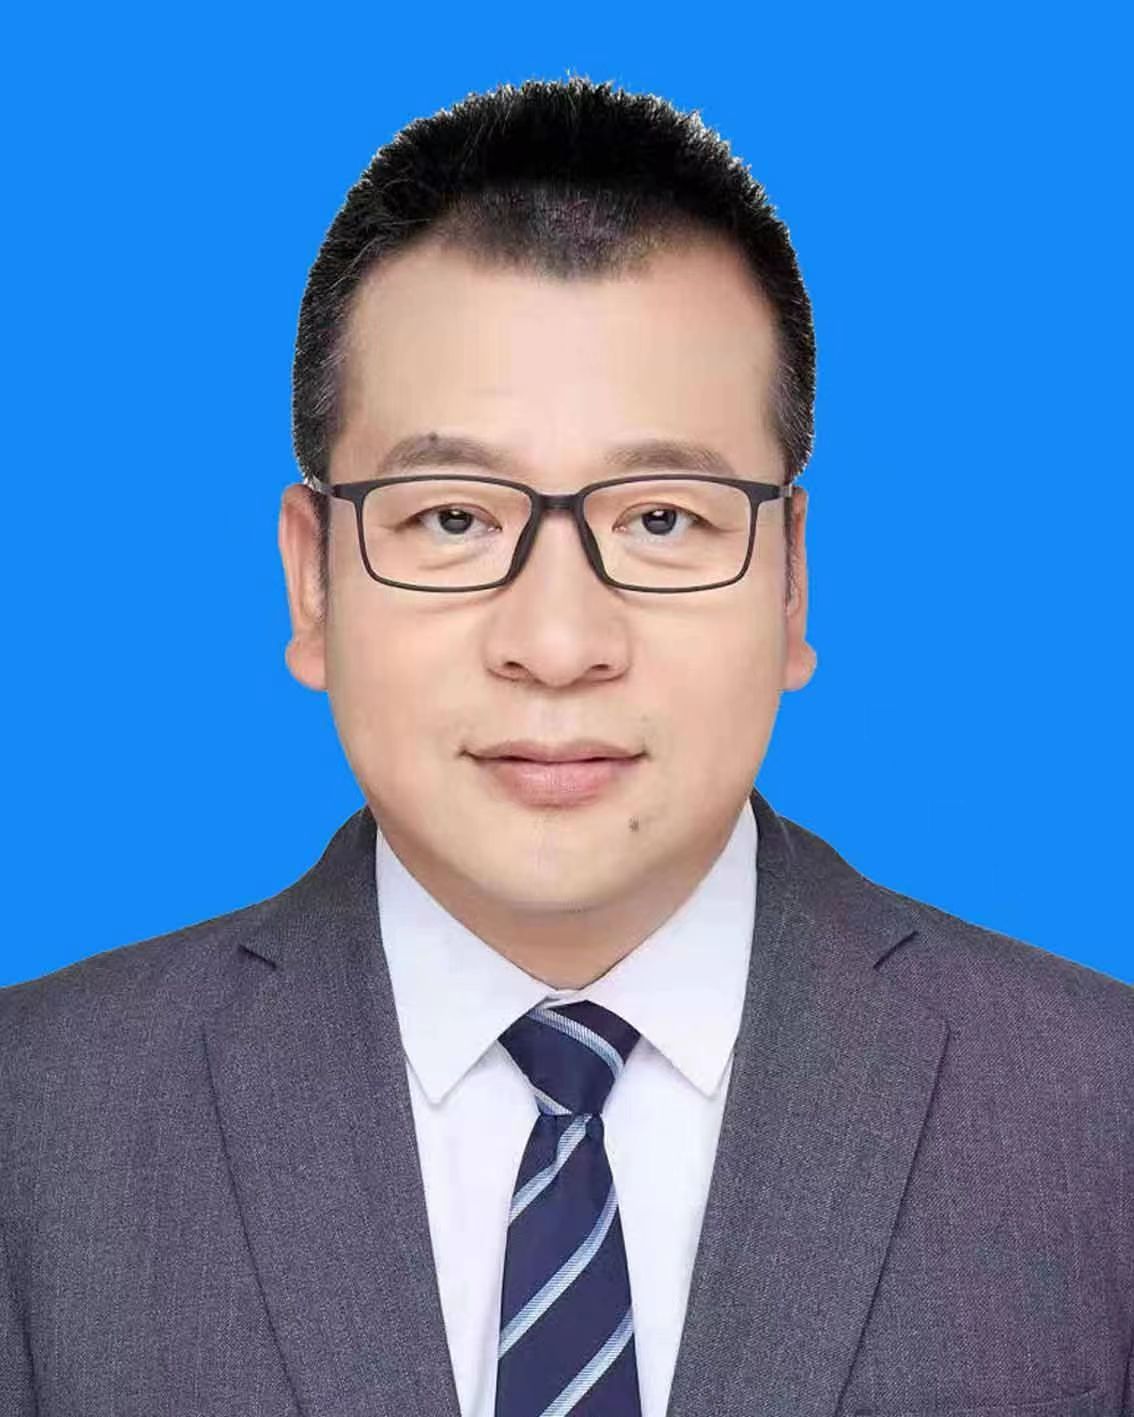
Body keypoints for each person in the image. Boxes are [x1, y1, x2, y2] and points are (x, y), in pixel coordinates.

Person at [1, 75, 1130, 1417]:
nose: (556, 641)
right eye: (451, 519)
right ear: (312, 584)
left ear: (790, 583)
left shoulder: (1095, 1114)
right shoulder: (37, 1127)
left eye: (660, 519)